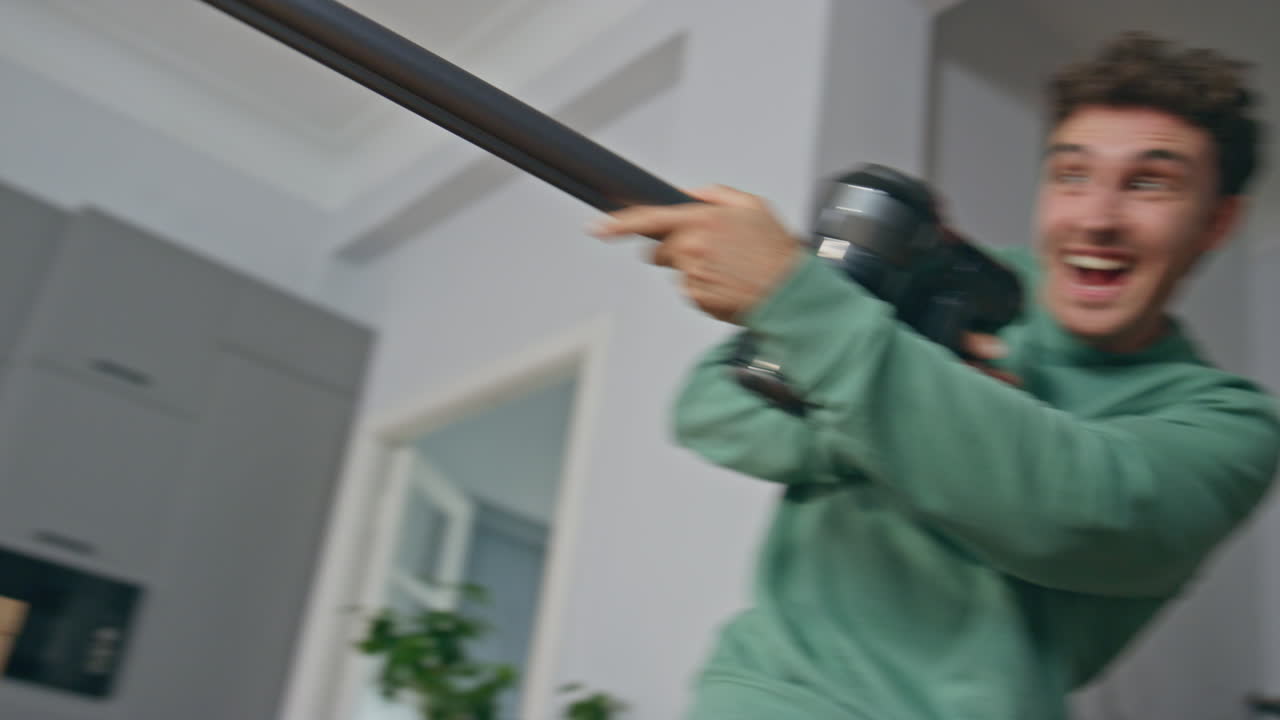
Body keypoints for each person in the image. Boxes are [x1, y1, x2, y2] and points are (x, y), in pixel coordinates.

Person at [590, 31, 1280, 720]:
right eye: (1071, 174)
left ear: (1217, 221)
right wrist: (910, 401)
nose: (1097, 219)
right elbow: (715, 407)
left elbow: (1078, 513)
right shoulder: (969, 290)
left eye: (1149, 183)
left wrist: (812, 320)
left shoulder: (1229, 424)